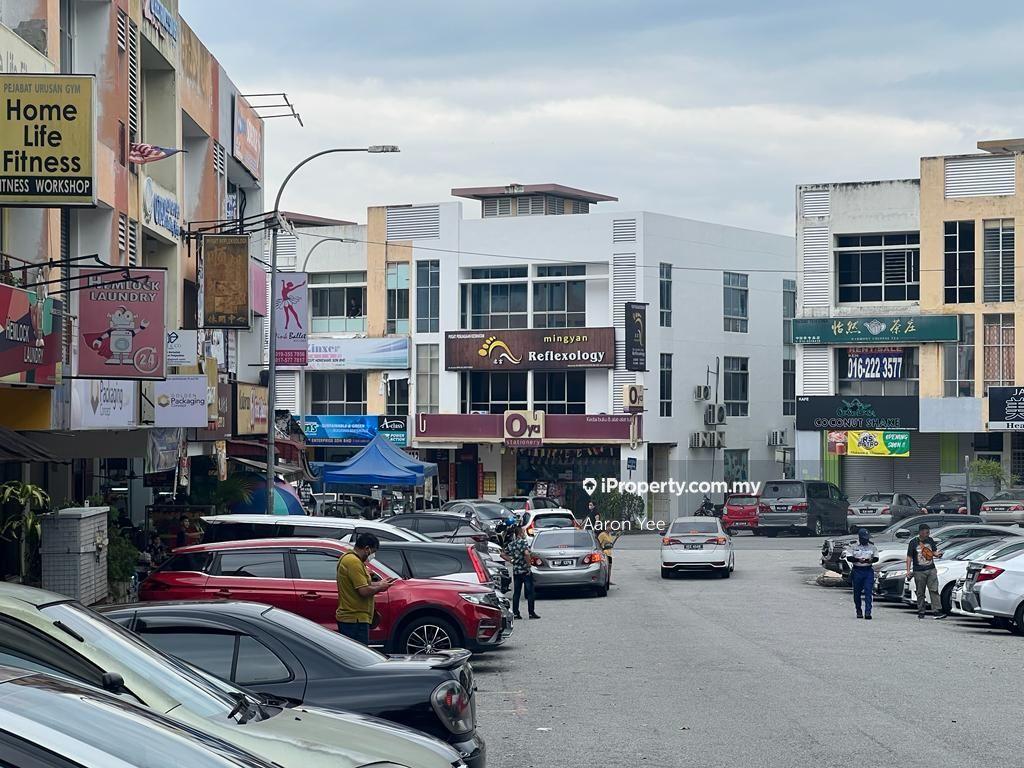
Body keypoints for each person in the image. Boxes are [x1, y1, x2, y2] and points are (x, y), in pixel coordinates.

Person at [336, 532, 395, 644]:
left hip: (355, 618)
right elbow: (363, 591)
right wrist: (380, 588)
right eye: (373, 552)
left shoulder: (352, 559)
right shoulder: (353, 562)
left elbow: (362, 583)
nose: (372, 556)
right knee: (357, 652)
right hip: (354, 620)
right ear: (367, 548)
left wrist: (379, 583)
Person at [906, 523, 944, 619]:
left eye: (928, 532)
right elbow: (909, 557)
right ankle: (921, 611)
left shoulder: (930, 540)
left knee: (934, 590)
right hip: (919, 570)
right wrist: (908, 570)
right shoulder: (913, 542)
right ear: (920, 532)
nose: (927, 534)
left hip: (931, 568)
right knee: (920, 592)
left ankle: (937, 611)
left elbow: (933, 551)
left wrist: (937, 554)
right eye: (926, 533)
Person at [502, 525, 539, 620]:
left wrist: (511, 560)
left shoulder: (511, 544)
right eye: (523, 532)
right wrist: (528, 565)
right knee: (530, 592)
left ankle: (516, 613)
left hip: (516, 571)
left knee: (517, 592)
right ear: (520, 533)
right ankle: (531, 612)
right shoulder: (523, 542)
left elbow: (502, 554)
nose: (524, 534)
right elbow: (526, 553)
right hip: (525, 570)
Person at [846, 528, 878, 619]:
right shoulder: (853, 546)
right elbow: (849, 557)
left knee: (868, 591)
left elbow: (876, 558)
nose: (866, 540)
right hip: (857, 570)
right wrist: (858, 560)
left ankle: (868, 612)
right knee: (857, 592)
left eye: (867, 538)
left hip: (868, 570)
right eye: (864, 538)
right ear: (860, 538)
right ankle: (858, 610)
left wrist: (870, 560)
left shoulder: (872, 546)